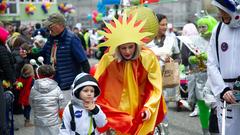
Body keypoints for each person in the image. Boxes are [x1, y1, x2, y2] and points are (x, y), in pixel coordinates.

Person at [94, 14, 167, 134]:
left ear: (136, 45)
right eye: (123, 48)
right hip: (118, 111)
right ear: (117, 48)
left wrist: (149, 107)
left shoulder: (147, 57)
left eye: (130, 47)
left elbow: (156, 86)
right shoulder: (109, 59)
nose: (127, 51)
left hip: (142, 105)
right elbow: (96, 82)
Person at [20, 13, 90, 105]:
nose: (48, 28)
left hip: (68, 86)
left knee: (67, 114)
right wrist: (28, 54)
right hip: (53, 84)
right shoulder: (51, 38)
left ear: (60, 25)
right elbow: (42, 53)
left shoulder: (72, 38)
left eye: (50, 25)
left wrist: (86, 83)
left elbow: (84, 62)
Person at [207, 0, 240, 134]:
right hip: (226, 95)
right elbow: (212, 62)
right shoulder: (218, 30)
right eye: (220, 10)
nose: (221, 14)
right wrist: (223, 89)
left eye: (224, 10)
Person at [30, 65, 64, 135]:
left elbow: (31, 102)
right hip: (53, 121)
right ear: (52, 75)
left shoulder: (33, 88)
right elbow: (61, 103)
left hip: (39, 120)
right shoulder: (57, 88)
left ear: (38, 75)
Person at [0, 26, 16, 134]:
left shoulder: (3, 47)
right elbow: (6, 66)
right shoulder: (1, 48)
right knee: (3, 111)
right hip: (2, 80)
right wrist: (13, 80)